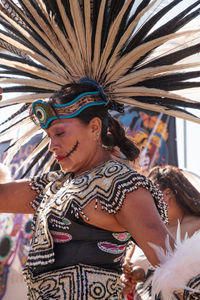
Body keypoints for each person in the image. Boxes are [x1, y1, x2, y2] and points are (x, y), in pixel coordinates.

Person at [0, 82, 174, 299]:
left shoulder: (123, 185)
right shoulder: (54, 186)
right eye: (49, 137)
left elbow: (176, 266)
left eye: (60, 133)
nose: (52, 145)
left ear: (94, 128)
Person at [122, 165, 200, 300]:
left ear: (167, 194)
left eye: (148, 198)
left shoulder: (197, 225)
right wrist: (124, 281)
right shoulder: (142, 232)